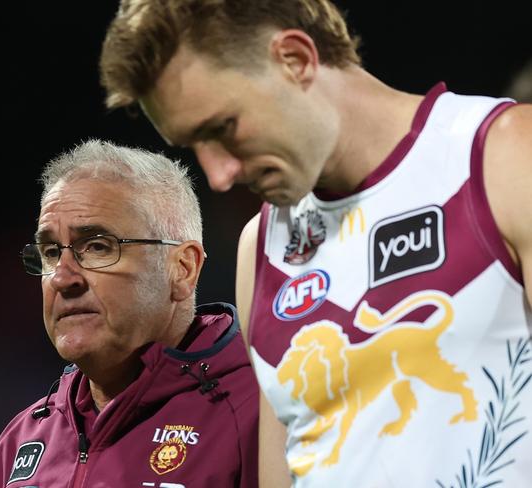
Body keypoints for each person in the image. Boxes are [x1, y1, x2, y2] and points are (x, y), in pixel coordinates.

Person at [99, 1, 532, 487]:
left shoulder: (504, 154)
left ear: (295, 59)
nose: (218, 176)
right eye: (192, 146)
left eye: (223, 129)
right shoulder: (260, 249)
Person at [0, 140, 259, 487]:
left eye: (97, 246)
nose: (63, 278)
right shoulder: (21, 442)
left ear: (183, 268)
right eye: (51, 252)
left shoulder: (259, 414)